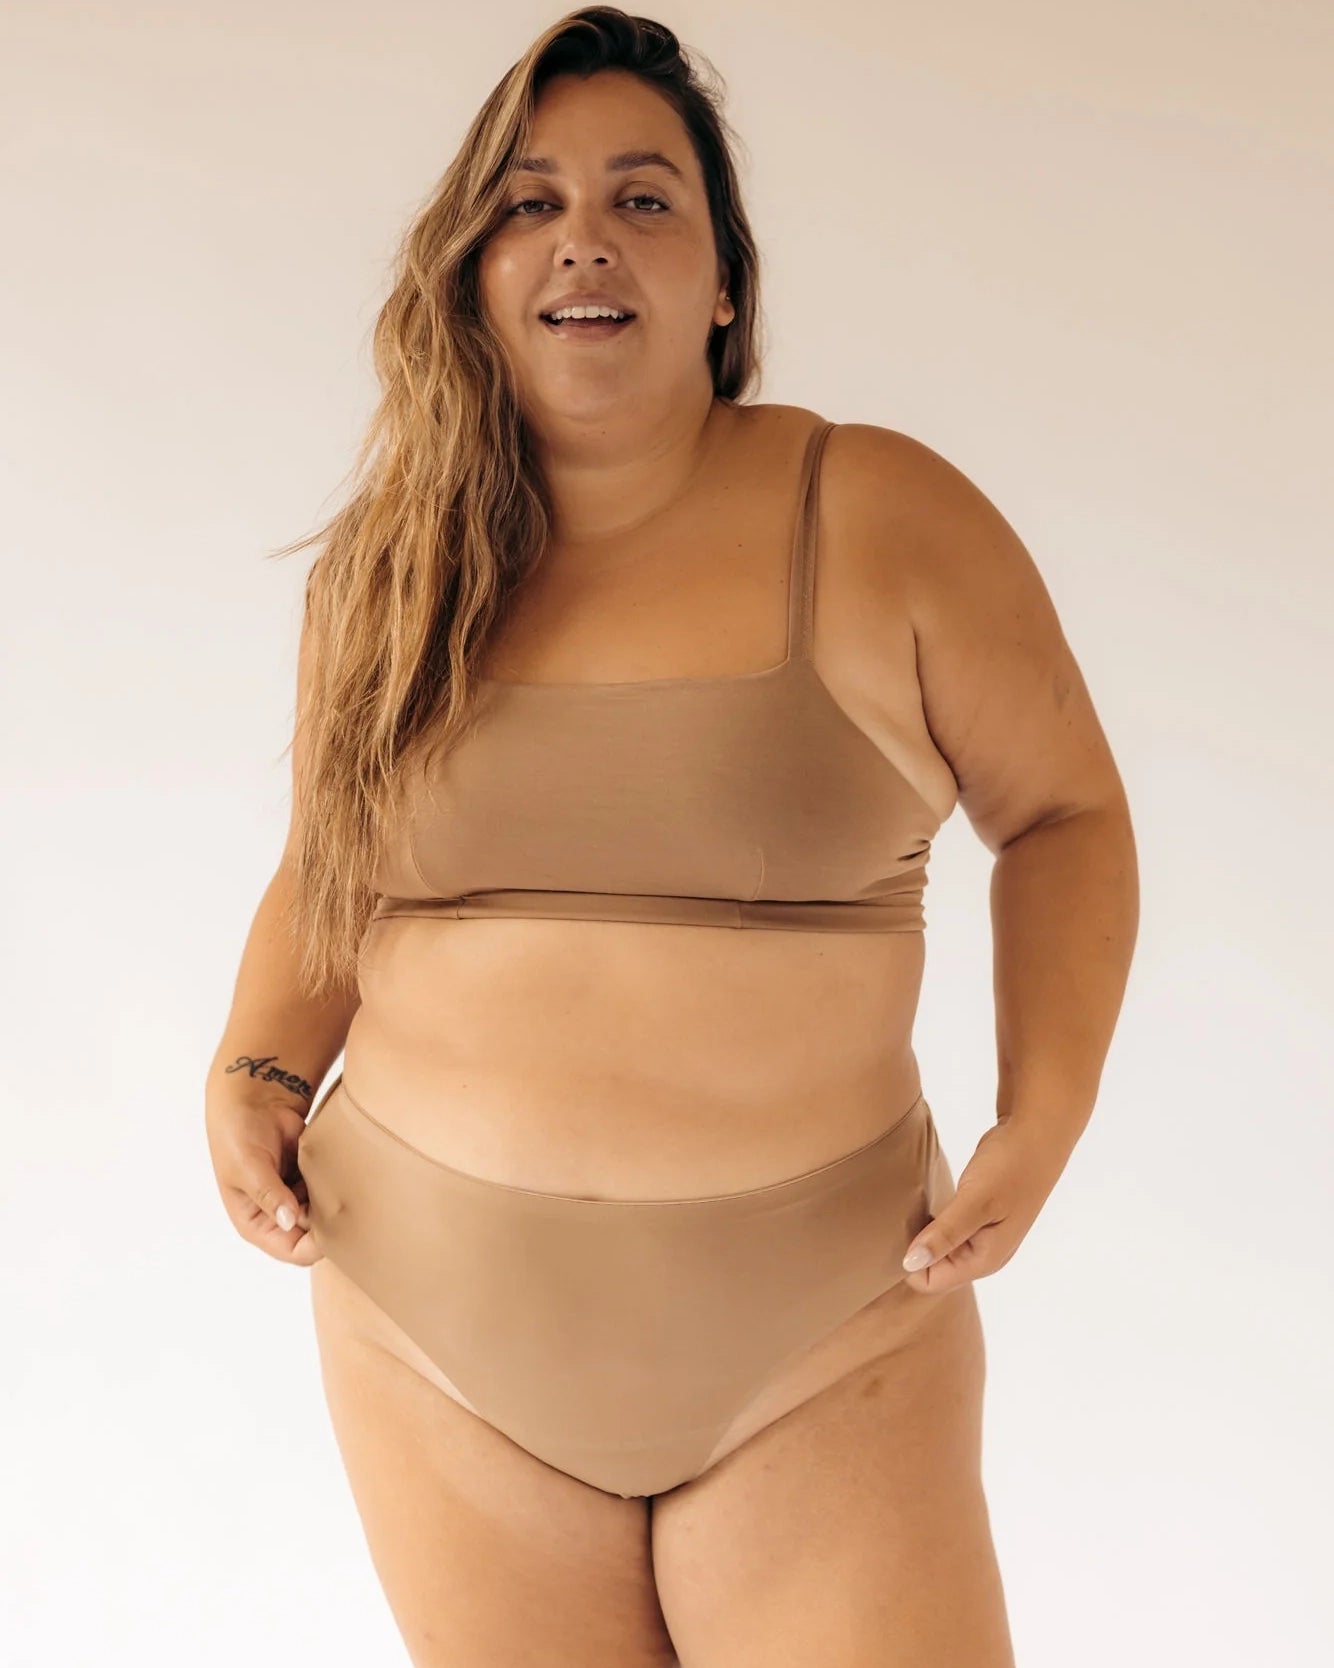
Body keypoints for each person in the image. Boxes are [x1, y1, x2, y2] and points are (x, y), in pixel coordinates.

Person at [204, 8, 1139, 1665]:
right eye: (530, 203)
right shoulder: (390, 570)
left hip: (820, 1341)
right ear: (476, 273)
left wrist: (1043, 1113)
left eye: (643, 199)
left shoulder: (880, 514)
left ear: (722, 282)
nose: (585, 238)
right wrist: (255, 1065)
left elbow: (1063, 812)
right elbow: (330, 869)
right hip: (434, 1336)